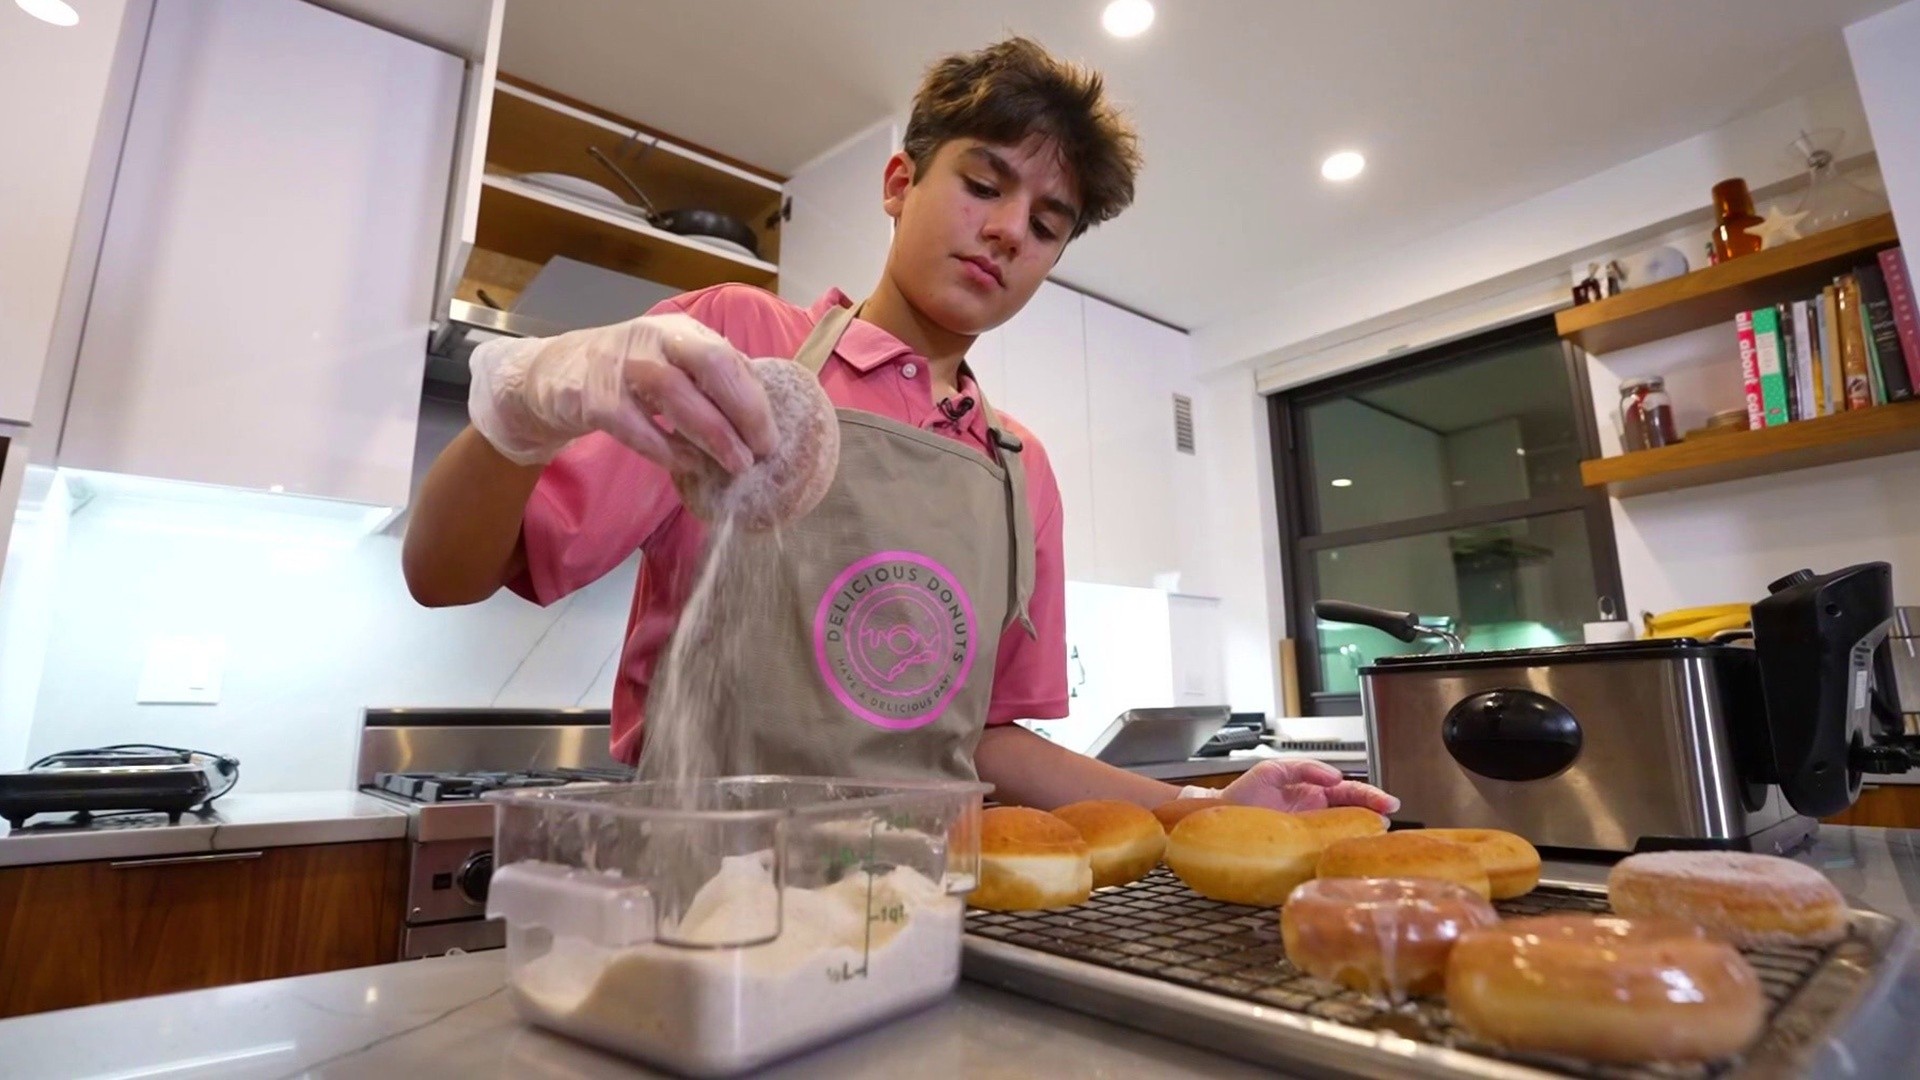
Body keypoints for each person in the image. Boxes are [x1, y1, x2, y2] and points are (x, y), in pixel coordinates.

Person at [403, 37, 1396, 816]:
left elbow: (991, 741)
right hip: (704, 898)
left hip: (929, 918)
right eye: (983, 182)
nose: (1011, 228)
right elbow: (443, 576)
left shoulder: (1021, 471)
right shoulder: (736, 350)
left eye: (1048, 224)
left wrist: (1204, 812)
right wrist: (520, 407)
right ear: (898, 184)